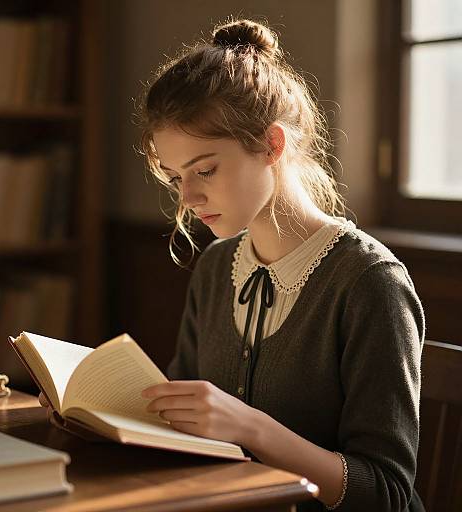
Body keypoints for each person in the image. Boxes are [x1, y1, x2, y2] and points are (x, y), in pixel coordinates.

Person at [41, 18, 425, 512]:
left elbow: (388, 494)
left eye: (205, 170)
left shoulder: (369, 283)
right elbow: (179, 428)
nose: (189, 196)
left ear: (272, 145)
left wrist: (250, 426)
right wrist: (94, 416)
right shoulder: (217, 266)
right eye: (176, 176)